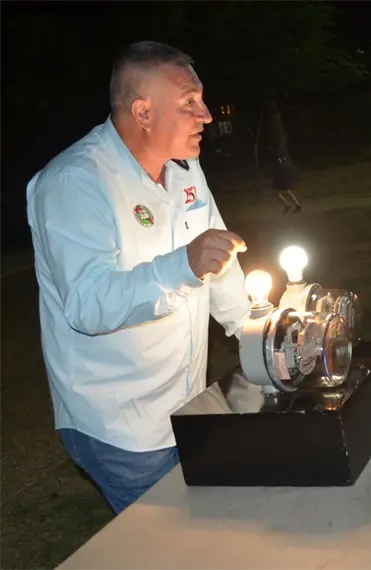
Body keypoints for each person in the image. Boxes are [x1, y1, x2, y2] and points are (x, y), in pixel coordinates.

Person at [25, 41, 251, 514]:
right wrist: (181, 267)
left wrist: (255, 331)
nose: (206, 114)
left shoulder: (186, 170)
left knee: (212, 523)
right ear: (143, 111)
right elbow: (88, 303)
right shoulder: (74, 182)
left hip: (186, 403)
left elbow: (217, 260)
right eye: (190, 102)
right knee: (173, 546)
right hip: (119, 424)